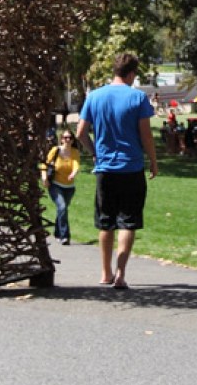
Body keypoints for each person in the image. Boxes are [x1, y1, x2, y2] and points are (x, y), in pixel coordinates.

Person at [76, 53, 158, 290]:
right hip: (131, 167)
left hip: (105, 169)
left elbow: (81, 132)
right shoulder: (137, 98)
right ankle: (121, 274)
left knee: (106, 222)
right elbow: (146, 135)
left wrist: (94, 152)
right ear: (131, 73)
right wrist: (153, 160)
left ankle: (105, 272)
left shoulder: (95, 96)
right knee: (128, 222)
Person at [43, 130, 80, 244]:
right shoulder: (55, 150)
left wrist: (73, 173)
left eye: (69, 138)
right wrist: (44, 178)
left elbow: (76, 165)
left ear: (73, 140)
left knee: (62, 210)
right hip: (55, 185)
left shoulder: (74, 152)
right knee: (62, 207)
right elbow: (45, 164)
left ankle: (58, 232)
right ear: (61, 139)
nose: (67, 140)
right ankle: (65, 236)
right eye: (65, 138)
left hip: (69, 187)